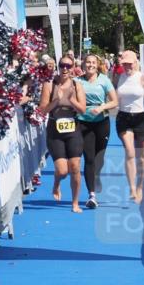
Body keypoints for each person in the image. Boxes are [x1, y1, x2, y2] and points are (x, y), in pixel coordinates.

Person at [39, 55, 86, 213]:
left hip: (73, 129)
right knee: (62, 170)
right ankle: (57, 183)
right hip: (54, 129)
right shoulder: (49, 85)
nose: (65, 69)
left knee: (75, 167)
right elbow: (42, 110)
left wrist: (71, 100)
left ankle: (75, 203)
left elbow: (83, 110)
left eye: (68, 66)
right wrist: (56, 101)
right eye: (62, 66)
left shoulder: (77, 85)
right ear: (58, 67)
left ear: (73, 68)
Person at [114, 50, 144, 203]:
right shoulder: (119, 77)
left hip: (141, 118)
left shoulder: (143, 77)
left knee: (141, 157)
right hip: (124, 118)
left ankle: (140, 187)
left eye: (129, 63)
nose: (127, 66)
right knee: (129, 151)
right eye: (124, 64)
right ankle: (132, 188)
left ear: (135, 63)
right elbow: (114, 96)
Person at [75, 54, 118, 209]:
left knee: (99, 158)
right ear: (83, 64)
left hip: (101, 123)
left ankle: (97, 175)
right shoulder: (77, 81)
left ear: (97, 65)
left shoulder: (104, 80)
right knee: (89, 159)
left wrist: (101, 107)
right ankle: (91, 195)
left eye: (93, 62)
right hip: (83, 123)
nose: (90, 65)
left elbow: (115, 101)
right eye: (88, 62)